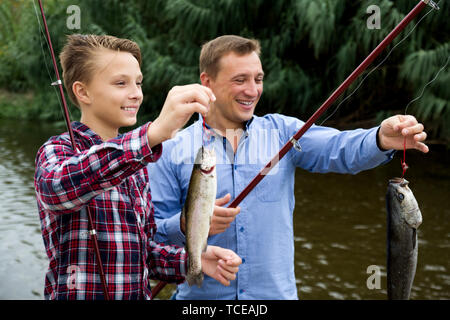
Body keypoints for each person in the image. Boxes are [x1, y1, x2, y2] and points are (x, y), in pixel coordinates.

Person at [147, 35, 429, 300]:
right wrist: (186, 225)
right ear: (207, 82)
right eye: (240, 80)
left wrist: (380, 138)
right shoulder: (169, 149)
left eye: (258, 79)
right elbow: (149, 235)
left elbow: (339, 149)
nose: (252, 90)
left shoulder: (284, 133)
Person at [34, 34, 242, 300]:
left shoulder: (137, 166)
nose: (136, 94)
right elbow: (57, 188)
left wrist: (193, 260)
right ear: (82, 91)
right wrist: (152, 134)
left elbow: (143, 254)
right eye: (121, 83)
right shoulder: (57, 152)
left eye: (138, 83)